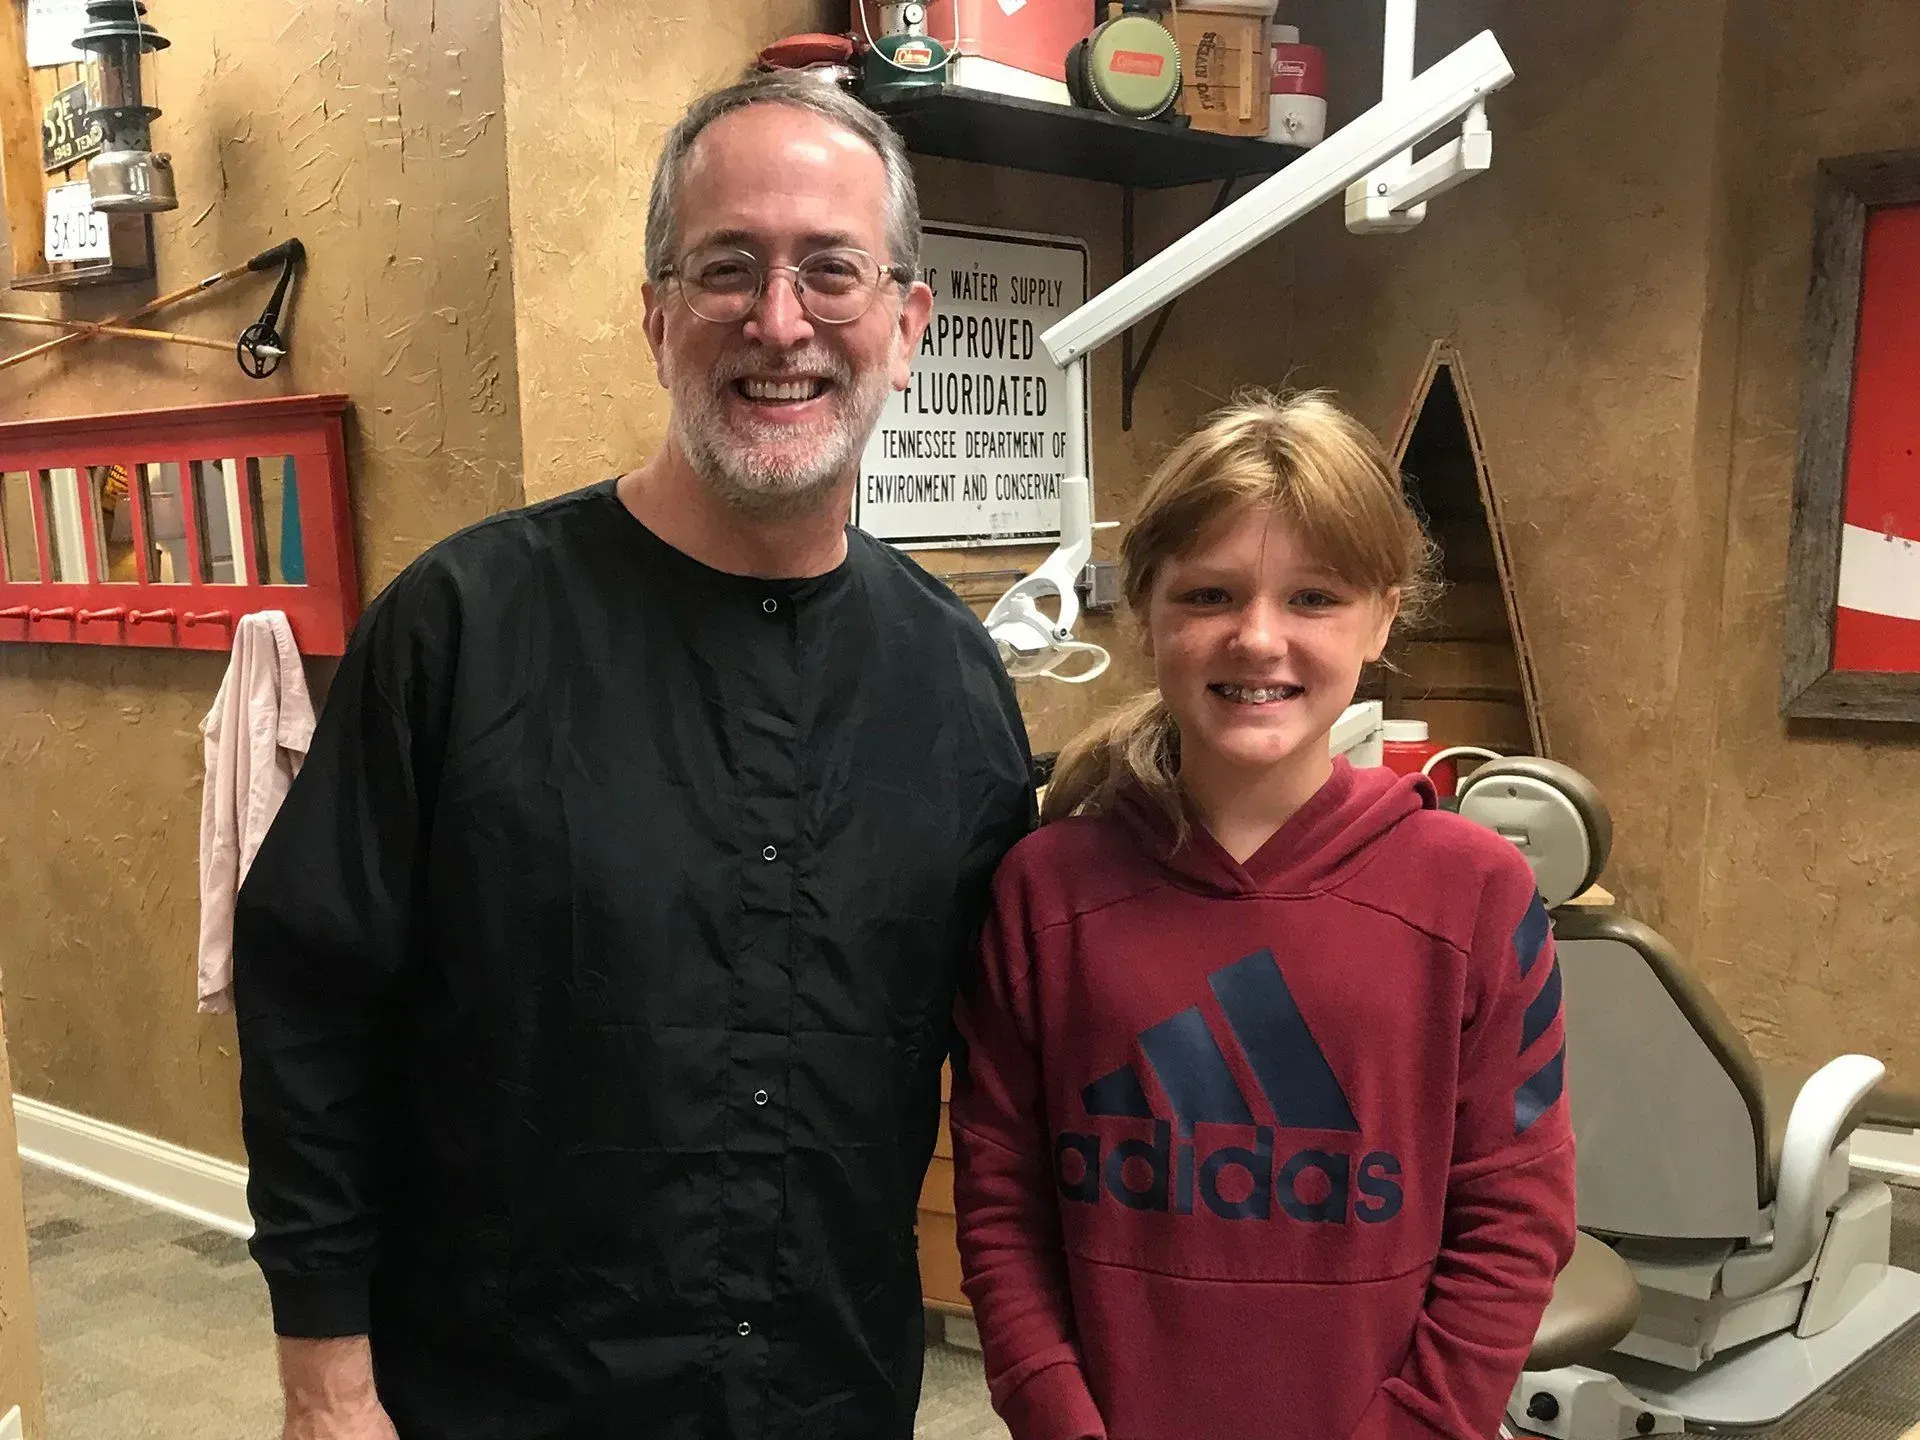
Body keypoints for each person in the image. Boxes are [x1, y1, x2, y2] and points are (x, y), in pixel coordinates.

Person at [232, 73, 1034, 1440]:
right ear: (657, 315)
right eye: (729, 267)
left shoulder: (954, 682)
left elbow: (1021, 1034)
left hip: (824, 1394)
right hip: (495, 1395)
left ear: (906, 326)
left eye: (830, 272)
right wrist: (326, 1374)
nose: (778, 323)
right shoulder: (463, 630)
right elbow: (311, 1009)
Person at [949, 392, 1577, 1440]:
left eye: (1314, 597)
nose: (1257, 638)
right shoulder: (1046, 894)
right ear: (1146, 613)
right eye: (1210, 594)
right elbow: (1003, 1207)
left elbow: (1515, 1223)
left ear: (1382, 616)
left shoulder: (1472, 895)